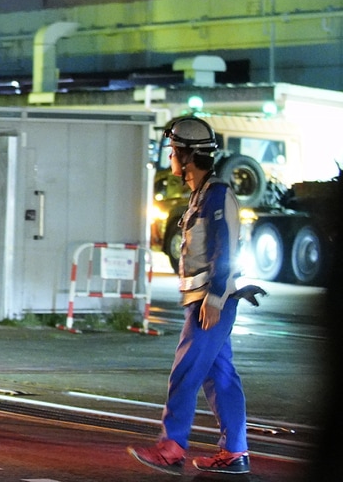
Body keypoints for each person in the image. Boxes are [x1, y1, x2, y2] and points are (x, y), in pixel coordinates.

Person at [129, 116, 251, 475]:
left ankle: (172, 446)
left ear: (186, 155)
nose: (170, 157)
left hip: (210, 304)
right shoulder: (201, 195)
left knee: (185, 372)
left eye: (172, 150)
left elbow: (224, 248)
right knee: (221, 377)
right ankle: (235, 452)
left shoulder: (217, 194)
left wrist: (214, 298)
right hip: (204, 301)